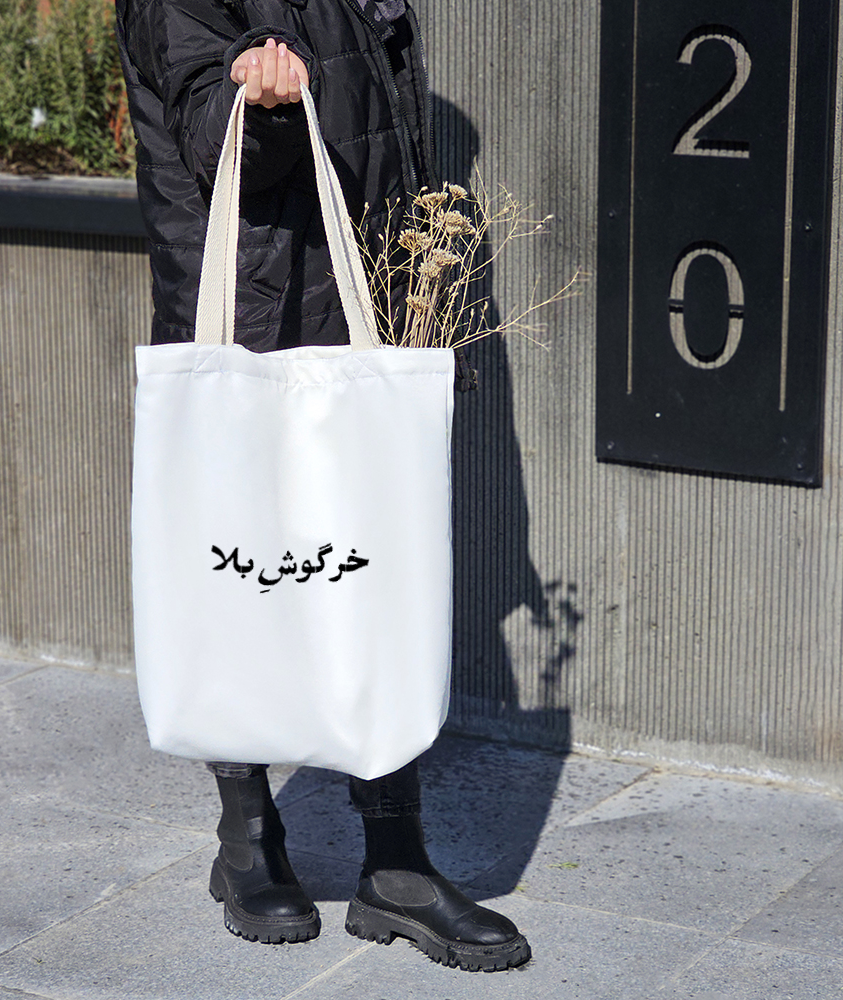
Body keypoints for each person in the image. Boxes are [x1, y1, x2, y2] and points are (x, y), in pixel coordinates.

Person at [114, 0, 529, 973]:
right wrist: (256, 106)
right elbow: (209, 135)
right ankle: (248, 838)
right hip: (252, 301)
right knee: (240, 568)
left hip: (355, 299)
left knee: (374, 569)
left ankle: (397, 861)